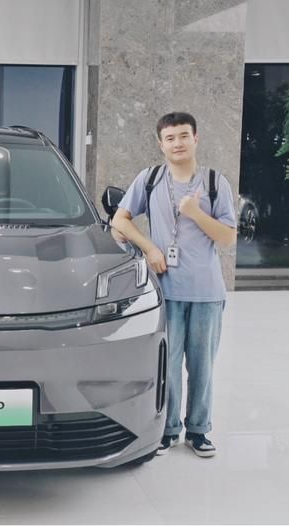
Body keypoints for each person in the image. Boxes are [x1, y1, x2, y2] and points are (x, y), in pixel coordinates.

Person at [111, 112, 237, 458]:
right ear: (160, 144)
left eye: (183, 136)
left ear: (195, 138)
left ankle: (198, 430)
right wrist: (149, 248)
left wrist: (196, 213)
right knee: (166, 364)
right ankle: (167, 431)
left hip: (206, 292)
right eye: (170, 138)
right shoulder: (149, 179)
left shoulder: (215, 182)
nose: (177, 143)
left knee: (202, 366)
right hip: (165, 291)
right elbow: (119, 220)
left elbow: (228, 238)